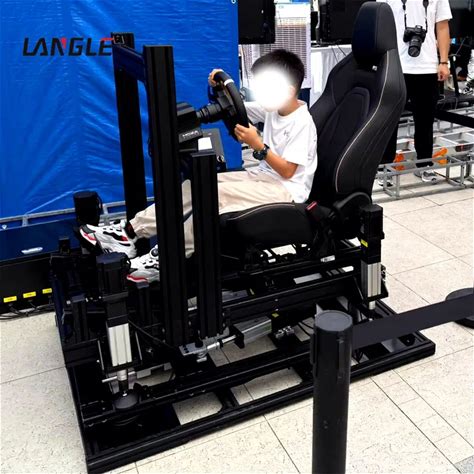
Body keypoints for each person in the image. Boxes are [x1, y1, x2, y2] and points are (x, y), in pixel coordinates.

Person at [80, 49, 318, 283]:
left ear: (289, 91)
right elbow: (236, 107)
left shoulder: (302, 122)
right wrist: (219, 87)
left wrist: (259, 146)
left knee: (212, 195)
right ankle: (129, 233)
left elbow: (288, 171)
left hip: (286, 189)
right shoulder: (275, 109)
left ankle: (166, 257)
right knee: (197, 183)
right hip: (263, 177)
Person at [378, 0, 452, 183]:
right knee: (389, 120)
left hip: (427, 67)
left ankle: (424, 164)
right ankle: (385, 167)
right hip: (396, 65)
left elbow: (442, 27)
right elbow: (380, 24)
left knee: (425, 121)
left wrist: (444, 61)